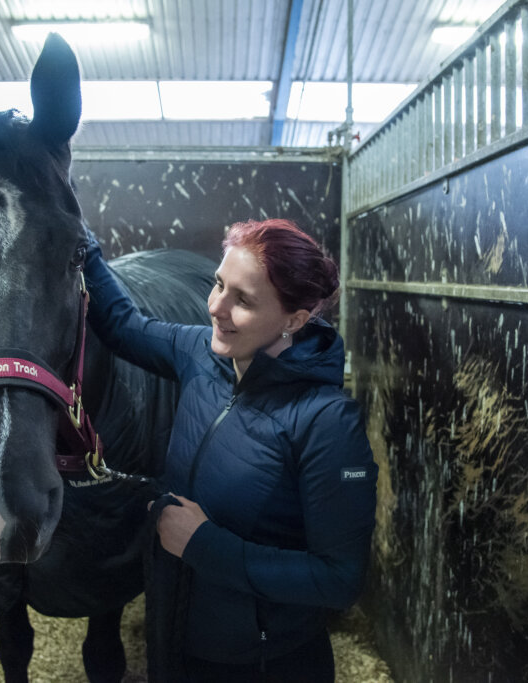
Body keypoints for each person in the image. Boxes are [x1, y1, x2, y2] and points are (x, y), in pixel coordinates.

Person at [83, 218, 378, 683]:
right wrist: (81, 241)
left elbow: (340, 579)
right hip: (174, 636)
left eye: (243, 300)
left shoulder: (326, 422)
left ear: (294, 320)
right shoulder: (203, 353)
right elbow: (123, 325)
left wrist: (204, 546)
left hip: (262, 663)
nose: (217, 307)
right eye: (220, 284)